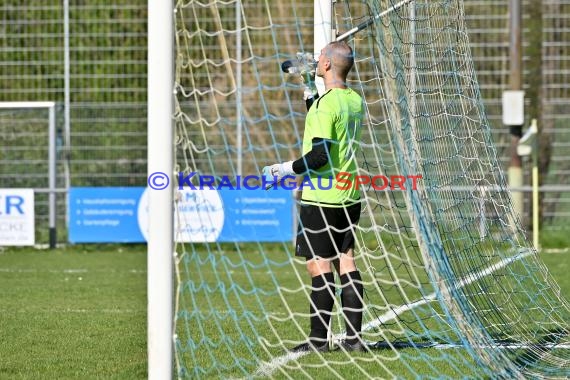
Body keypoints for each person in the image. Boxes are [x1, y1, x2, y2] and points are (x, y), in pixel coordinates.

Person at [263, 41, 366, 352]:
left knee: (318, 267)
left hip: (322, 197)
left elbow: (320, 155)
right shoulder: (354, 100)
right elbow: (322, 121)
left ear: (327, 66)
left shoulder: (327, 105)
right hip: (349, 194)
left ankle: (319, 341)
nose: (316, 59)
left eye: (320, 57)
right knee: (345, 261)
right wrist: (310, 88)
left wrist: (282, 169)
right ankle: (354, 340)